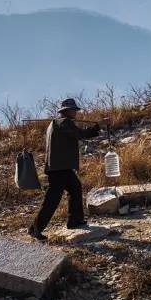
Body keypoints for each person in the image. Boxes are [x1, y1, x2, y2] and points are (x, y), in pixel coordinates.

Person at [28, 98, 108, 241]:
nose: (76, 112)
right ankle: (35, 229)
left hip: (59, 167)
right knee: (52, 200)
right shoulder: (65, 122)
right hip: (60, 169)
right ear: (67, 111)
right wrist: (99, 126)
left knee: (75, 188)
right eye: (74, 110)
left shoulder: (54, 124)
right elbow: (81, 134)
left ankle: (75, 221)